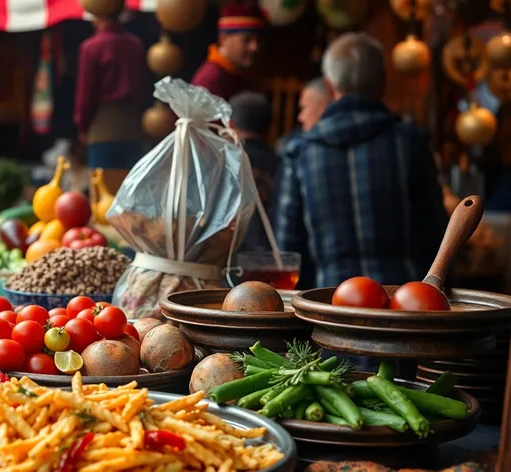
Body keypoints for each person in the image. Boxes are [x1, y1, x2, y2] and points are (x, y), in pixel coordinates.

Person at [274, 32, 447, 289]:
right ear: (382, 82)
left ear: (330, 86)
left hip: (332, 306)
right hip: (406, 306)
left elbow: (287, 247)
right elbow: (438, 235)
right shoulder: (409, 142)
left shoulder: (300, 153)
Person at [74, 5, 147, 194]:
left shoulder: (91, 47)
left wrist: (82, 126)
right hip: (133, 127)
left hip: (102, 128)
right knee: (131, 193)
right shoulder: (135, 44)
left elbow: (86, 96)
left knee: (103, 197)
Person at [230, 92, 279, 252]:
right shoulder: (281, 163)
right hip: (272, 254)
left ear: (230, 125)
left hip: (230, 256)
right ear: (270, 127)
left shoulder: (225, 163)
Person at [191, 1, 263, 101]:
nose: (255, 47)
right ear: (223, 39)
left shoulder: (244, 75)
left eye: (258, 41)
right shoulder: (211, 79)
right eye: (247, 40)